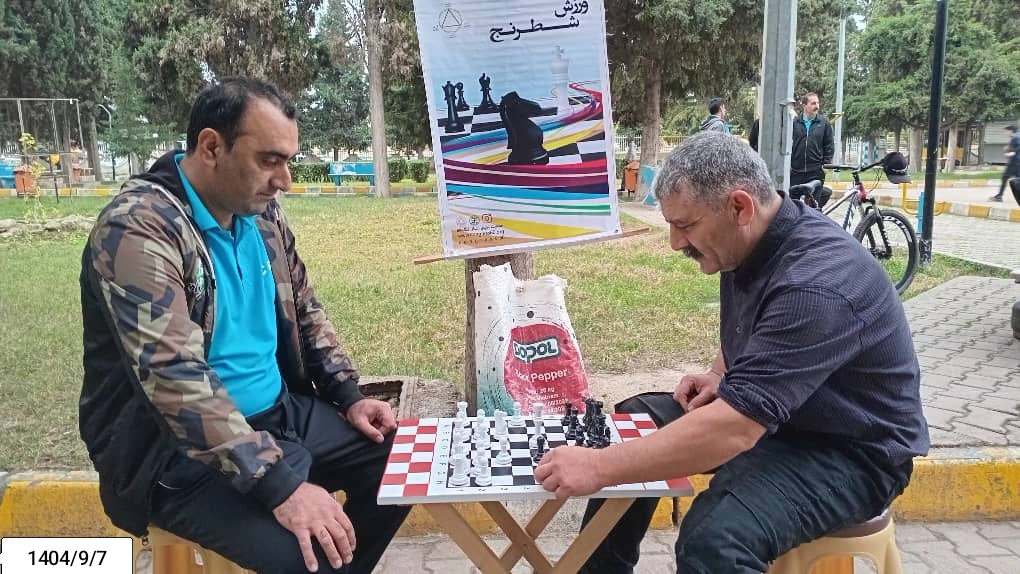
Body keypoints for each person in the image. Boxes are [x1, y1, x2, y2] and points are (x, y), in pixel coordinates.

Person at [534, 131, 930, 573]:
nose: (675, 242)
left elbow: (735, 429)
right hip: (787, 416)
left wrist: (597, 467)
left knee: (715, 537)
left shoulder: (817, 283)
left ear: (739, 207)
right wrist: (722, 374)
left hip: (852, 452)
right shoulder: (746, 243)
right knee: (638, 418)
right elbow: (758, 330)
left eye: (685, 225)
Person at [79, 77, 409, 573]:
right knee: (309, 555)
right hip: (175, 450)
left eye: (288, 161)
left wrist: (348, 395)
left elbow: (304, 309)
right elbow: (174, 378)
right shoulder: (139, 228)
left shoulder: (262, 215)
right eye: (269, 160)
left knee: (402, 468)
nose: (284, 181)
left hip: (279, 414)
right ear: (212, 147)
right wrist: (281, 488)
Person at [789, 92, 834, 208]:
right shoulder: (795, 123)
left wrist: (826, 164)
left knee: (814, 206)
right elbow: (789, 144)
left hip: (815, 171)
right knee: (793, 205)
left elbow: (829, 145)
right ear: (805, 105)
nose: (817, 106)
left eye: (818, 103)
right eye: (813, 103)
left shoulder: (824, 123)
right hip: (796, 171)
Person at [990, 124, 1020, 202]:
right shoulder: (1018, 136)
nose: (1005, 133)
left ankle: (999, 196)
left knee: (1005, 177)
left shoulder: (1014, 137)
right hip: (1018, 162)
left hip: (1014, 162)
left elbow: (1014, 150)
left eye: (1006, 131)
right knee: (1017, 179)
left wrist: (1008, 153)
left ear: (1011, 131)